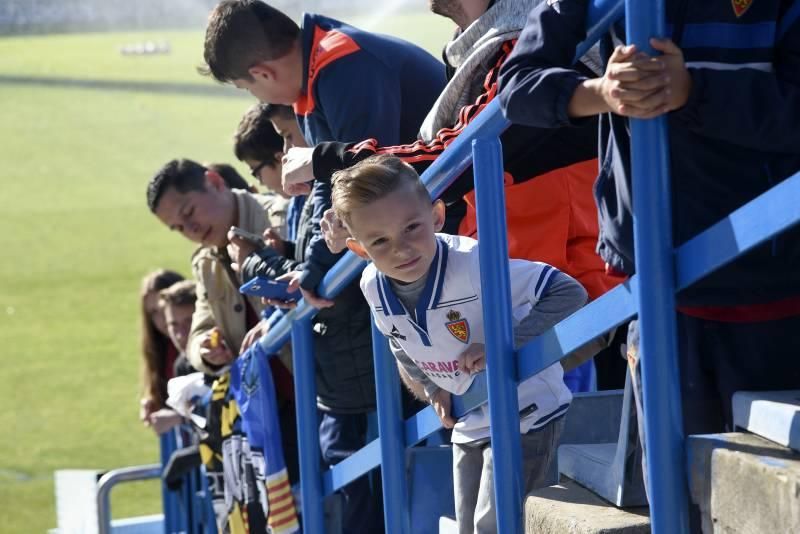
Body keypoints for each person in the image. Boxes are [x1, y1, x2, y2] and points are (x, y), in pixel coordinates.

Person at [497, 0, 800, 527]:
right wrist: (602, 94)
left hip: (774, 289)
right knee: (677, 501)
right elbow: (516, 86)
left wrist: (691, 92)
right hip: (661, 294)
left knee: (772, 502)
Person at [281, 0, 626, 389]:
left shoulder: (528, 39)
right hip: (518, 302)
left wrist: (327, 158)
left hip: (574, 298)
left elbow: (451, 156)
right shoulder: (484, 45)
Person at [331, 154, 586, 533]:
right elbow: (399, 342)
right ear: (360, 250)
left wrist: (504, 342)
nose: (401, 249)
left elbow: (568, 292)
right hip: (467, 419)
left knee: (495, 525)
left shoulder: (473, 263)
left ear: (436, 216)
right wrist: (433, 387)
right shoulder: (372, 286)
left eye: (412, 228)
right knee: (466, 527)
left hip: (525, 412)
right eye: (380, 241)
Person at [233, 102, 306, 242]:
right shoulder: (295, 205)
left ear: (279, 158)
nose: (259, 181)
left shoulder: (316, 200)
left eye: (256, 172)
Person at [138, 269, 185, 427]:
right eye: (153, 313)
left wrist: (180, 418)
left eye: (163, 307)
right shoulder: (161, 347)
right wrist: (154, 401)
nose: (162, 319)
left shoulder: (206, 348)